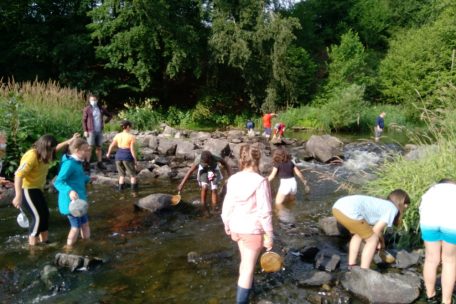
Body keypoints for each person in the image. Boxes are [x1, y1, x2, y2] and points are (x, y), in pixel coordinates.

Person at [221, 144, 273, 304]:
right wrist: (269, 235)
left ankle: (247, 290)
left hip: (236, 227)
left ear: (241, 159)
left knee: (245, 263)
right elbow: (265, 212)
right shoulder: (260, 181)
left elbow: (227, 205)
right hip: (252, 230)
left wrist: (226, 223)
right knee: (248, 268)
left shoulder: (232, 179)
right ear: (258, 160)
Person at [12, 134, 78, 246]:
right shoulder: (31, 156)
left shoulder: (47, 153)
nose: (52, 152)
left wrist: (69, 140)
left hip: (37, 189)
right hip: (26, 189)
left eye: (53, 149)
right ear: (44, 147)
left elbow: (56, 148)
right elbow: (18, 175)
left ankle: (45, 242)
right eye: (50, 150)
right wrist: (18, 195)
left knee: (45, 215)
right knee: (37, 217)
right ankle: (32, 247)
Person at [332, 189, 410, 269]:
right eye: (406, 205)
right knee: (372, 240)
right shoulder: (393, 209)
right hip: (350, 211)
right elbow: (376, 231)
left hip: (337, 207)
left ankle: (351, 265)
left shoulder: (383, 204)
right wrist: (379, 243)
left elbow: (375, 230)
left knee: (358, 235)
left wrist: (381, 242)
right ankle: (364, 270)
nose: (406, 208)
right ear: (402, 202)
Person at [419, 179, 456, 304]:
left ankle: (431, 296)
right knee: (449, 261)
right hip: (451, 223)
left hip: (428, 221)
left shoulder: (430, 191)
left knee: (430, 259)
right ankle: (446, 301)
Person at [54, 138, 92, 247]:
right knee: (75, 227)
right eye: (85, 150)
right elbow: (58, 182)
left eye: (88, 150)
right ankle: (68, 248)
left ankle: (87, 244)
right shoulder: (69, 164)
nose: (88, 152)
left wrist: (88, 178)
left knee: (85, 224)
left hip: (80, 201)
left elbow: (77, 177)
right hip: (71, 202)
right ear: (76, 150)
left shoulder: (77, 163)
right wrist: (69, 191)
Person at [178, 150, 231, 215]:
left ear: (211, 158)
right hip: (203, 170)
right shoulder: (198, 160)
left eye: (207, 162)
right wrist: (182, 184)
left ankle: (214, 207)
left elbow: (226, 165)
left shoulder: (216, 157)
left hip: (214, 168)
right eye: (204, 162)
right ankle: (204, 206)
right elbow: (190, 171)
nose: (206, 164)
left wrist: (231, 177)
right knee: (204, 187)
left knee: (214, 188)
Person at [106, 120, 138, 191]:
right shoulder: (131, 136)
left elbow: (111, 145)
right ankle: (134, 192)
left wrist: (108, 153)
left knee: (121, 175)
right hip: (127, 155)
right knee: (132, 175)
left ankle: (121, 192)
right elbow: (132, 149)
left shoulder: (117, 135)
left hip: (118, 156)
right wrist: (135, 159)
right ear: (128, 127)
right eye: (130, 126)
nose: (131, 128)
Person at [82, 94, 112, 171]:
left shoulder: (101, 109)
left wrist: (106, 121)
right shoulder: (87, 109)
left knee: (99, 147)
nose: (93, 102)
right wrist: (85, 130)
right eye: (92, 100)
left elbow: (109, 115)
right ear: (89, 101)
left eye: (95, 100)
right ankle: (87, 163)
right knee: (90, 147)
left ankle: (99, 162)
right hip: (90, 130)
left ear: (97, 100)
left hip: (99, 130)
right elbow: (84, 120)